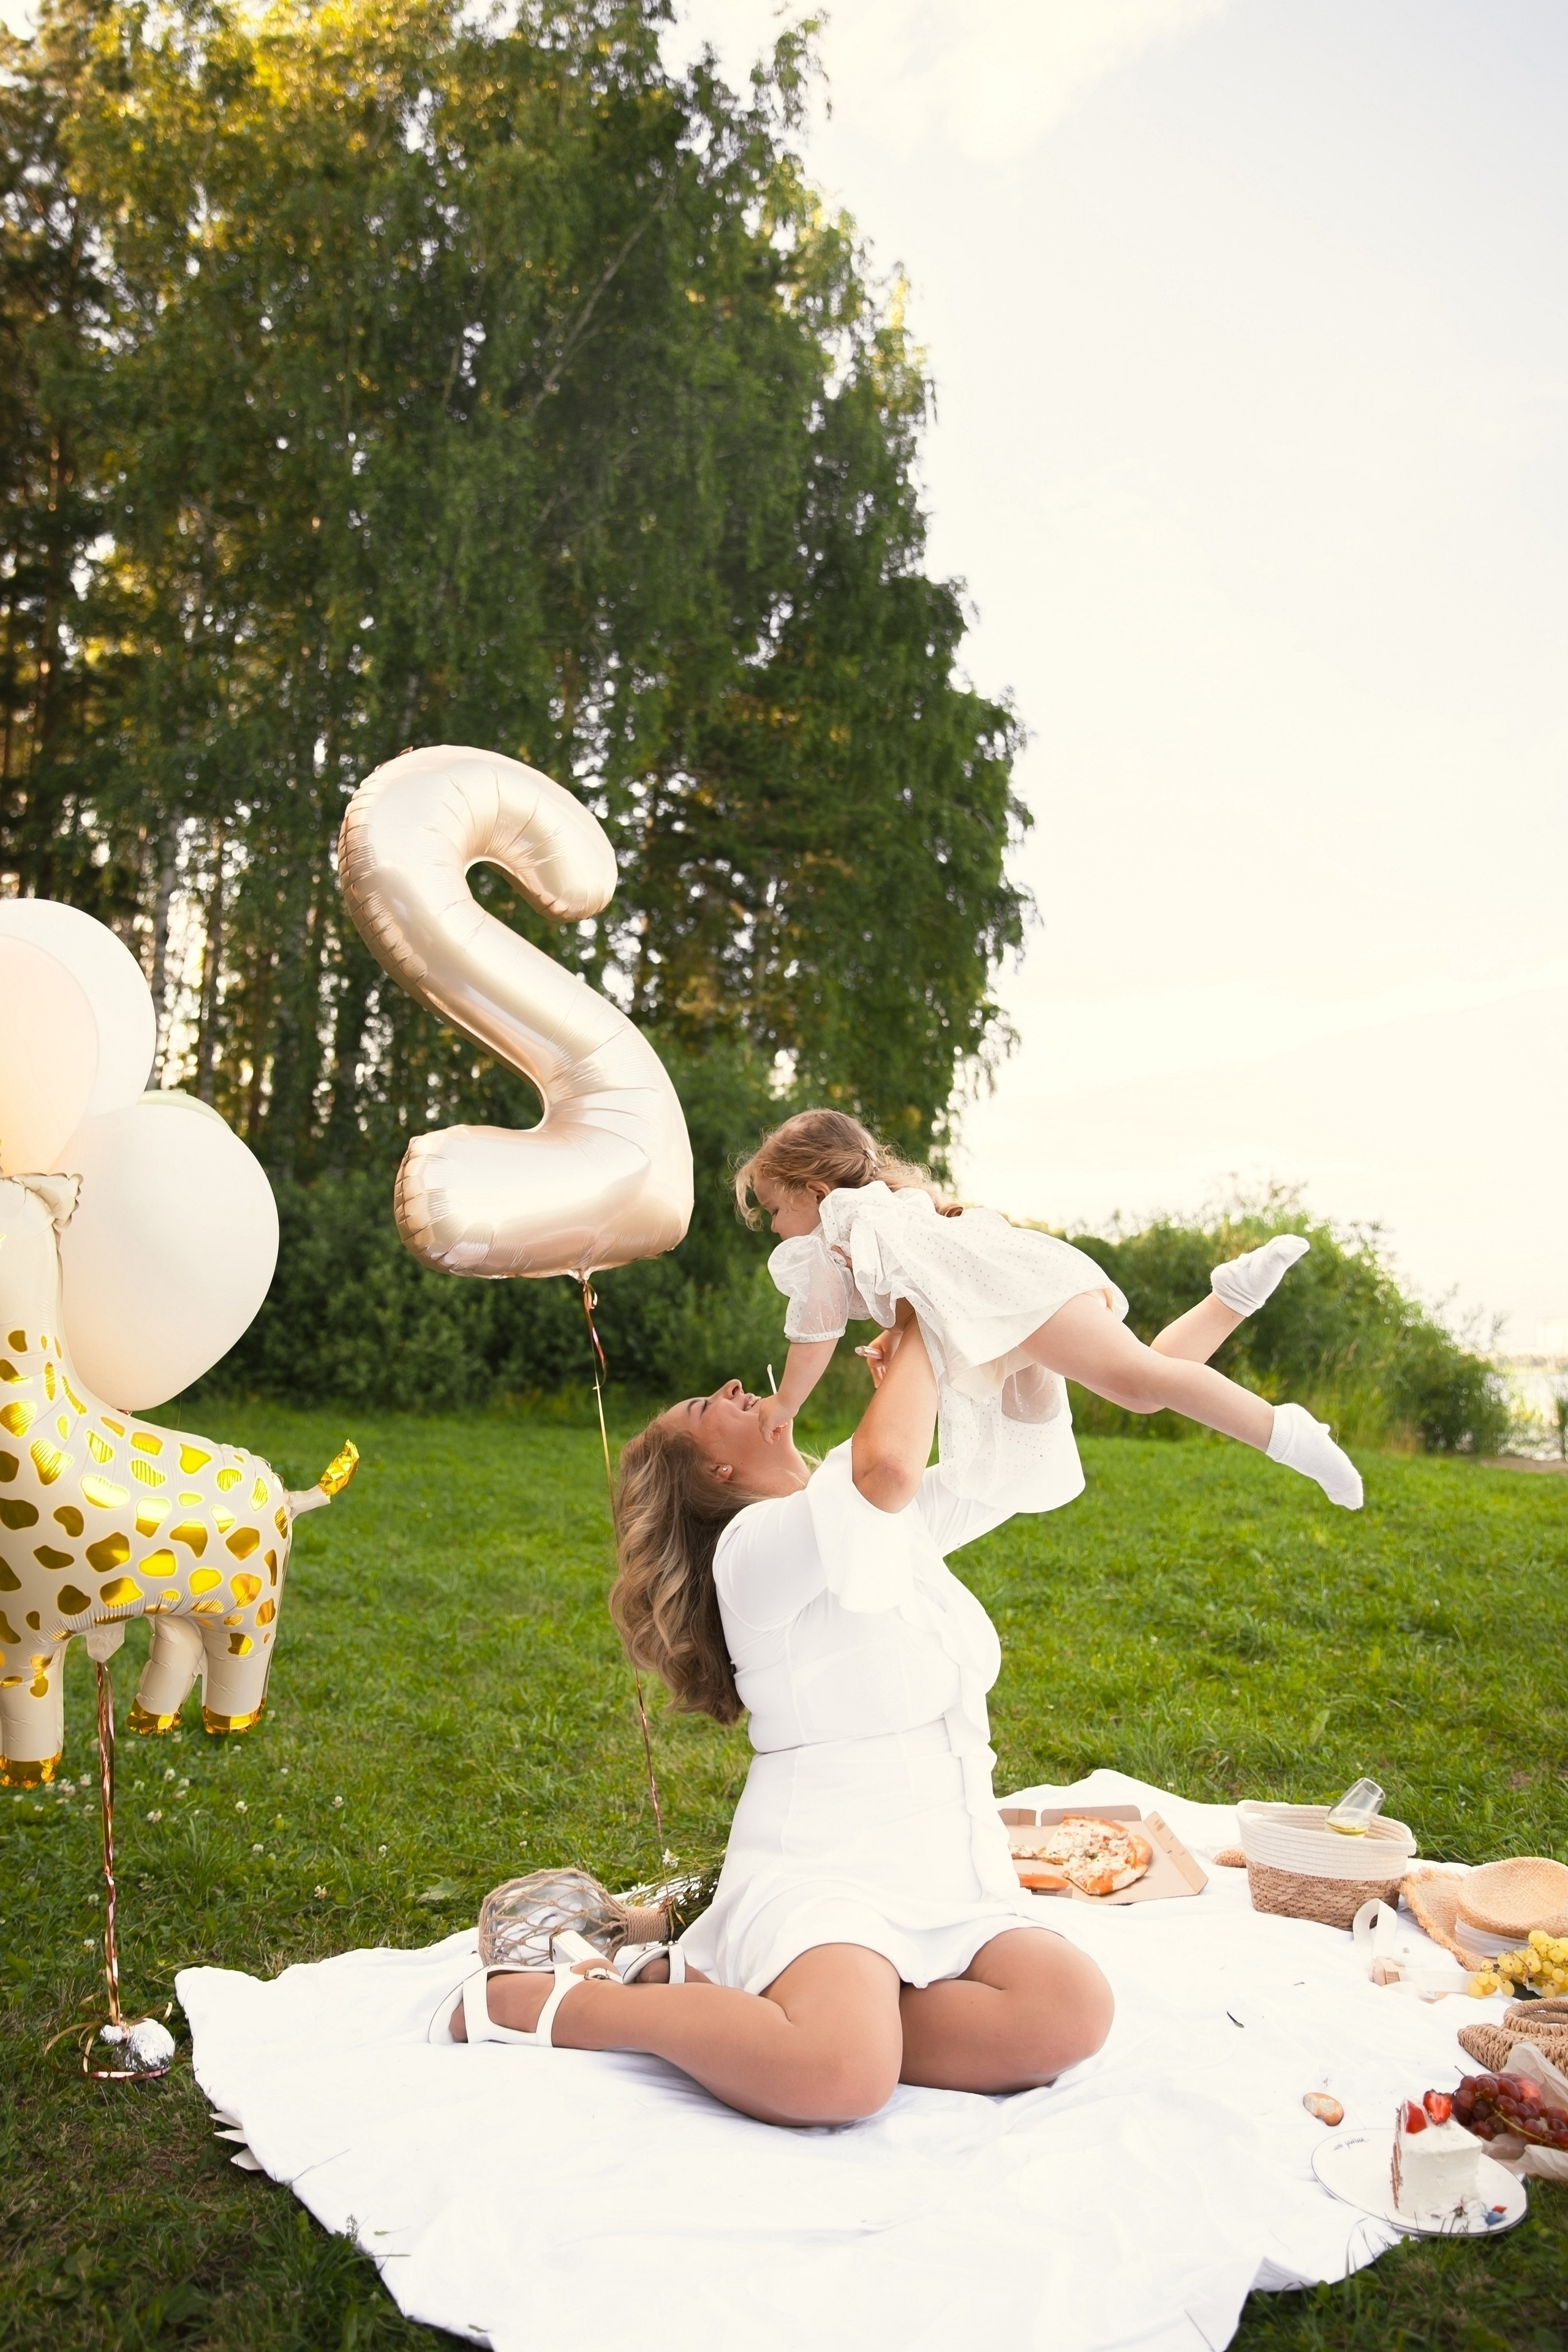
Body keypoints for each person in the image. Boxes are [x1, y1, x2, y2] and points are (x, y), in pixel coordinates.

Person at [431, 1310, 1114, 2127]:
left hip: (943, 1865)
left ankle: (756, 2002)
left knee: (1069, 2011)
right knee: (843, 2079)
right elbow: (885, 1468)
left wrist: (1017, 1320)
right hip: (823, 1868)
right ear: (716, 1470)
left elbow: (1024, 1466)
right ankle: (568, 2005)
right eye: (703, 1407)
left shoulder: (879, 1521)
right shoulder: (750, 1551)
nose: (730, 1386)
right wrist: (920, 1327)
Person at [739, 1108, 1360, 1511]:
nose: (774, 1227)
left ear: (815, 1192)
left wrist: (783, 1404)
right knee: (1142, 1388)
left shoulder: (832, 1233)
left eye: (773, 1209)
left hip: (1013, 1300)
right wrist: (894, 1333)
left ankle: (1287, 1432)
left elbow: (815, 1332)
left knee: (1141, 1380)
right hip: (1017, 1289)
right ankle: (1231, 1298)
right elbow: (920, 1288)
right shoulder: (883, 1209)